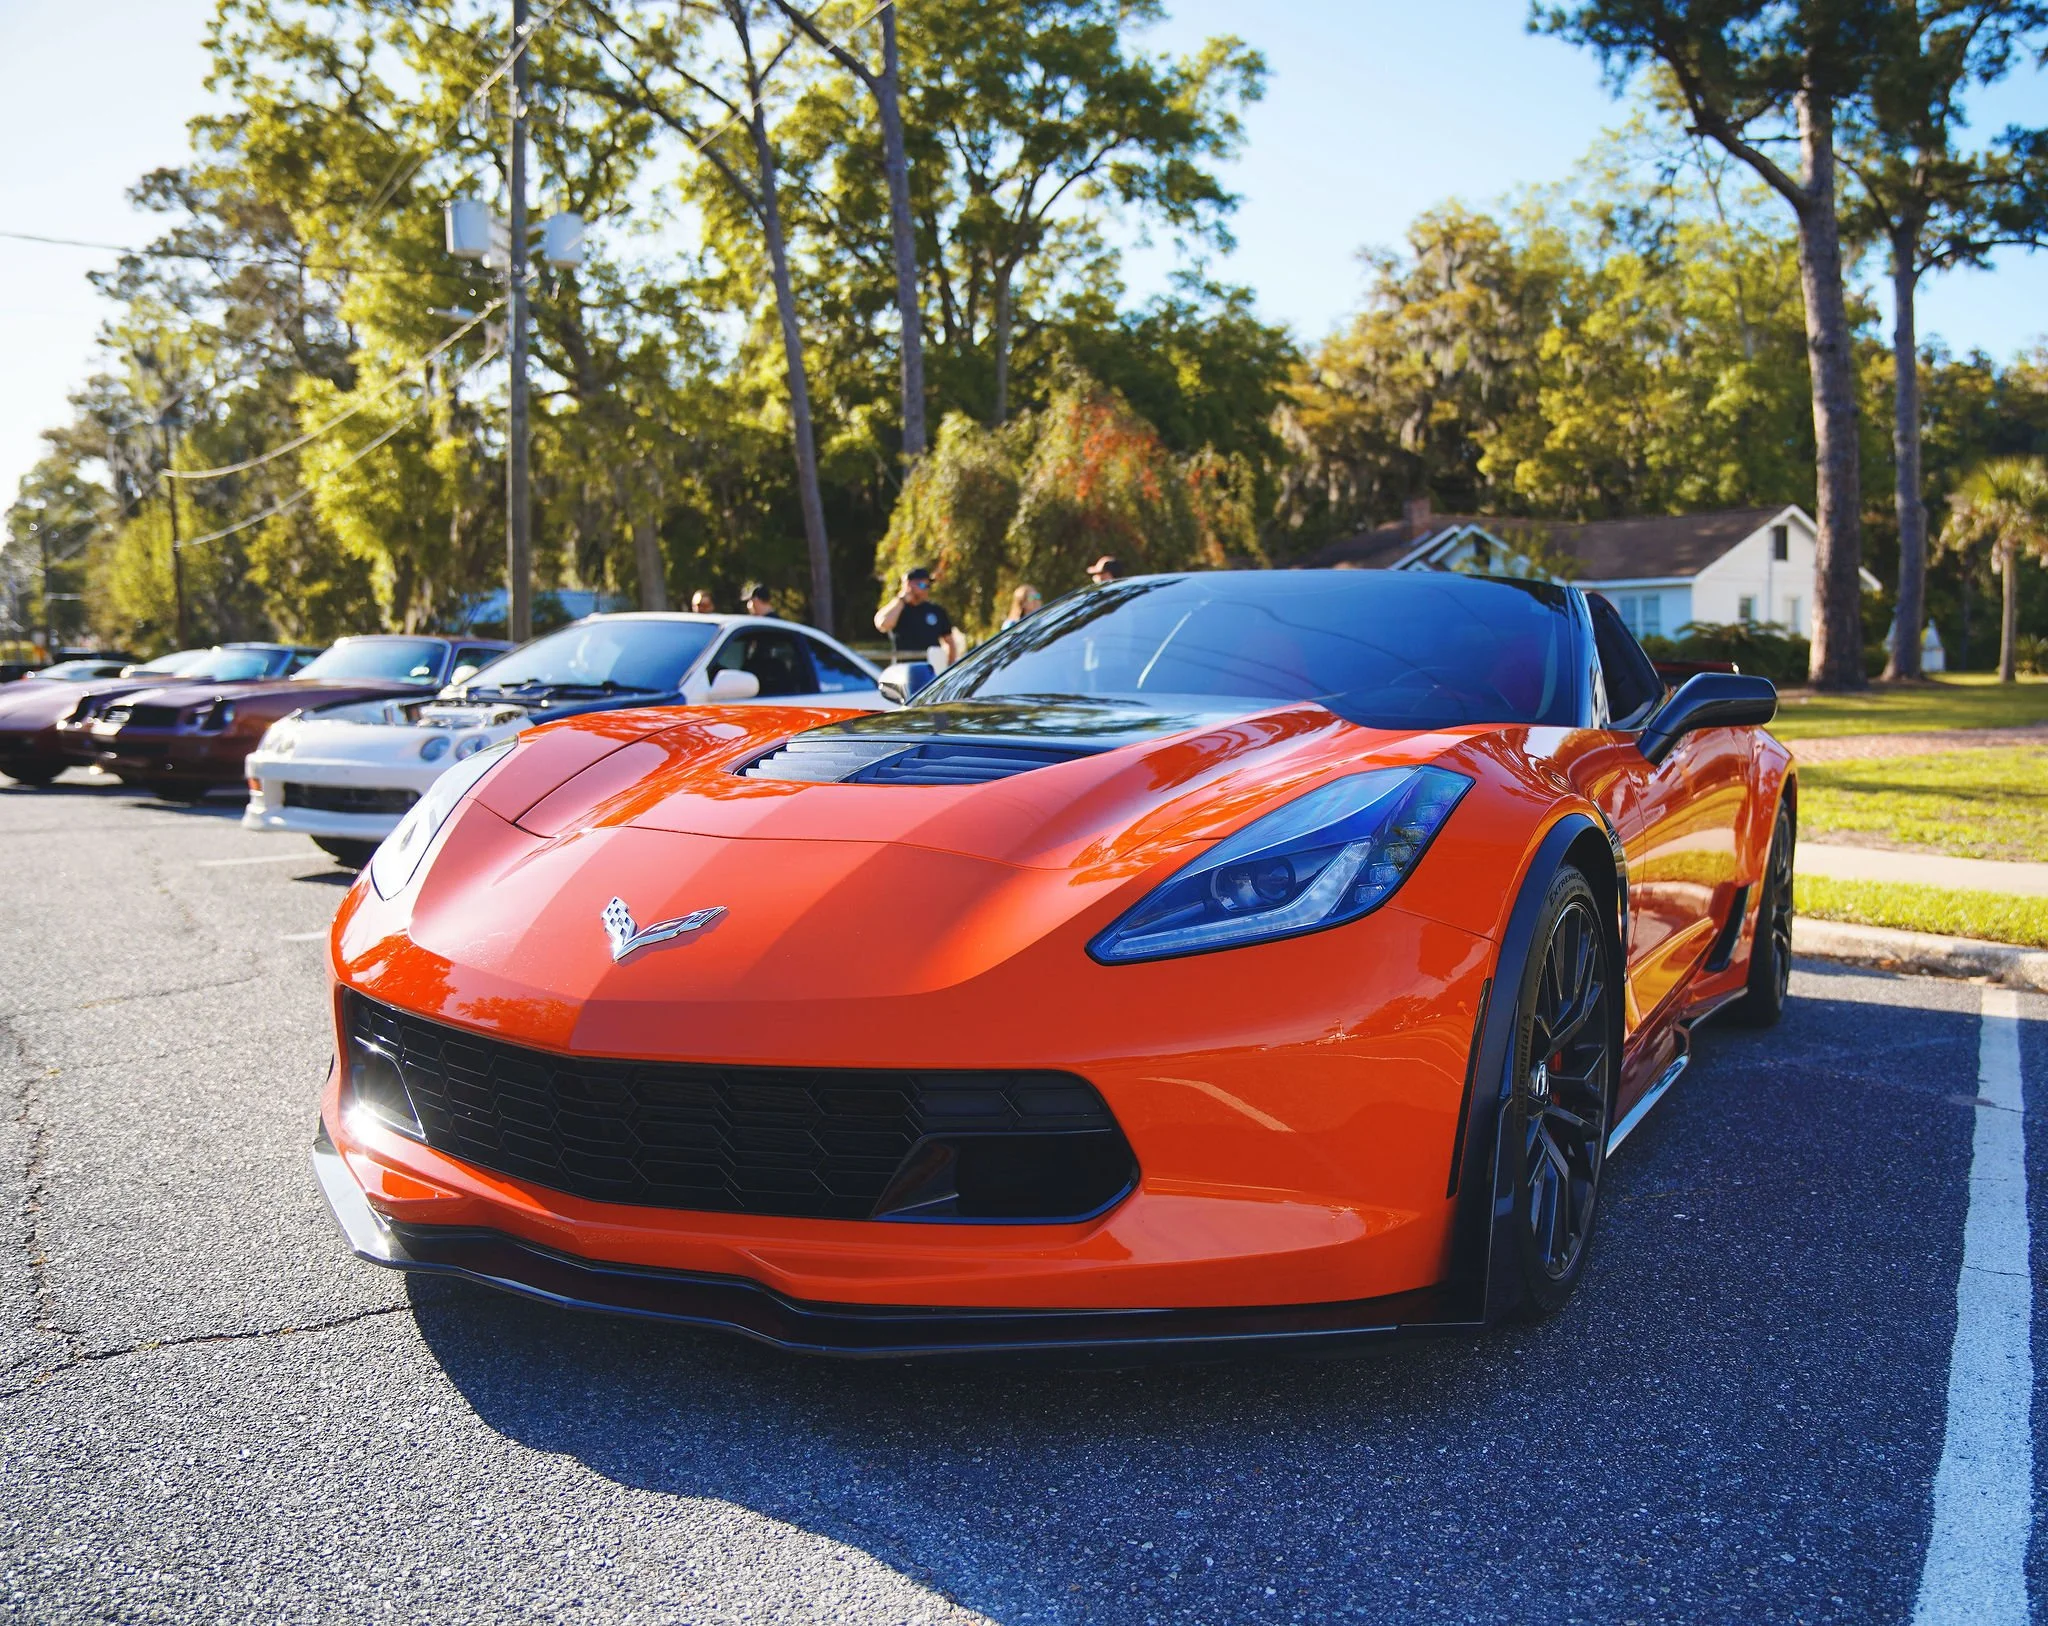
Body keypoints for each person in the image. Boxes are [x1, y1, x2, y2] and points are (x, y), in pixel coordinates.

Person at [874, 566, 965, 665]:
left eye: (928, 585)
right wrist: (901, 600)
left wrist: (948, 667)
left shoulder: (936, 611)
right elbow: (883, 624)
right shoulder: (897, 608)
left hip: (931, 670)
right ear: (908, 585)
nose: (926, 589)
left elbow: (950, 642)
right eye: (922, 585)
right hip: (905, 670)